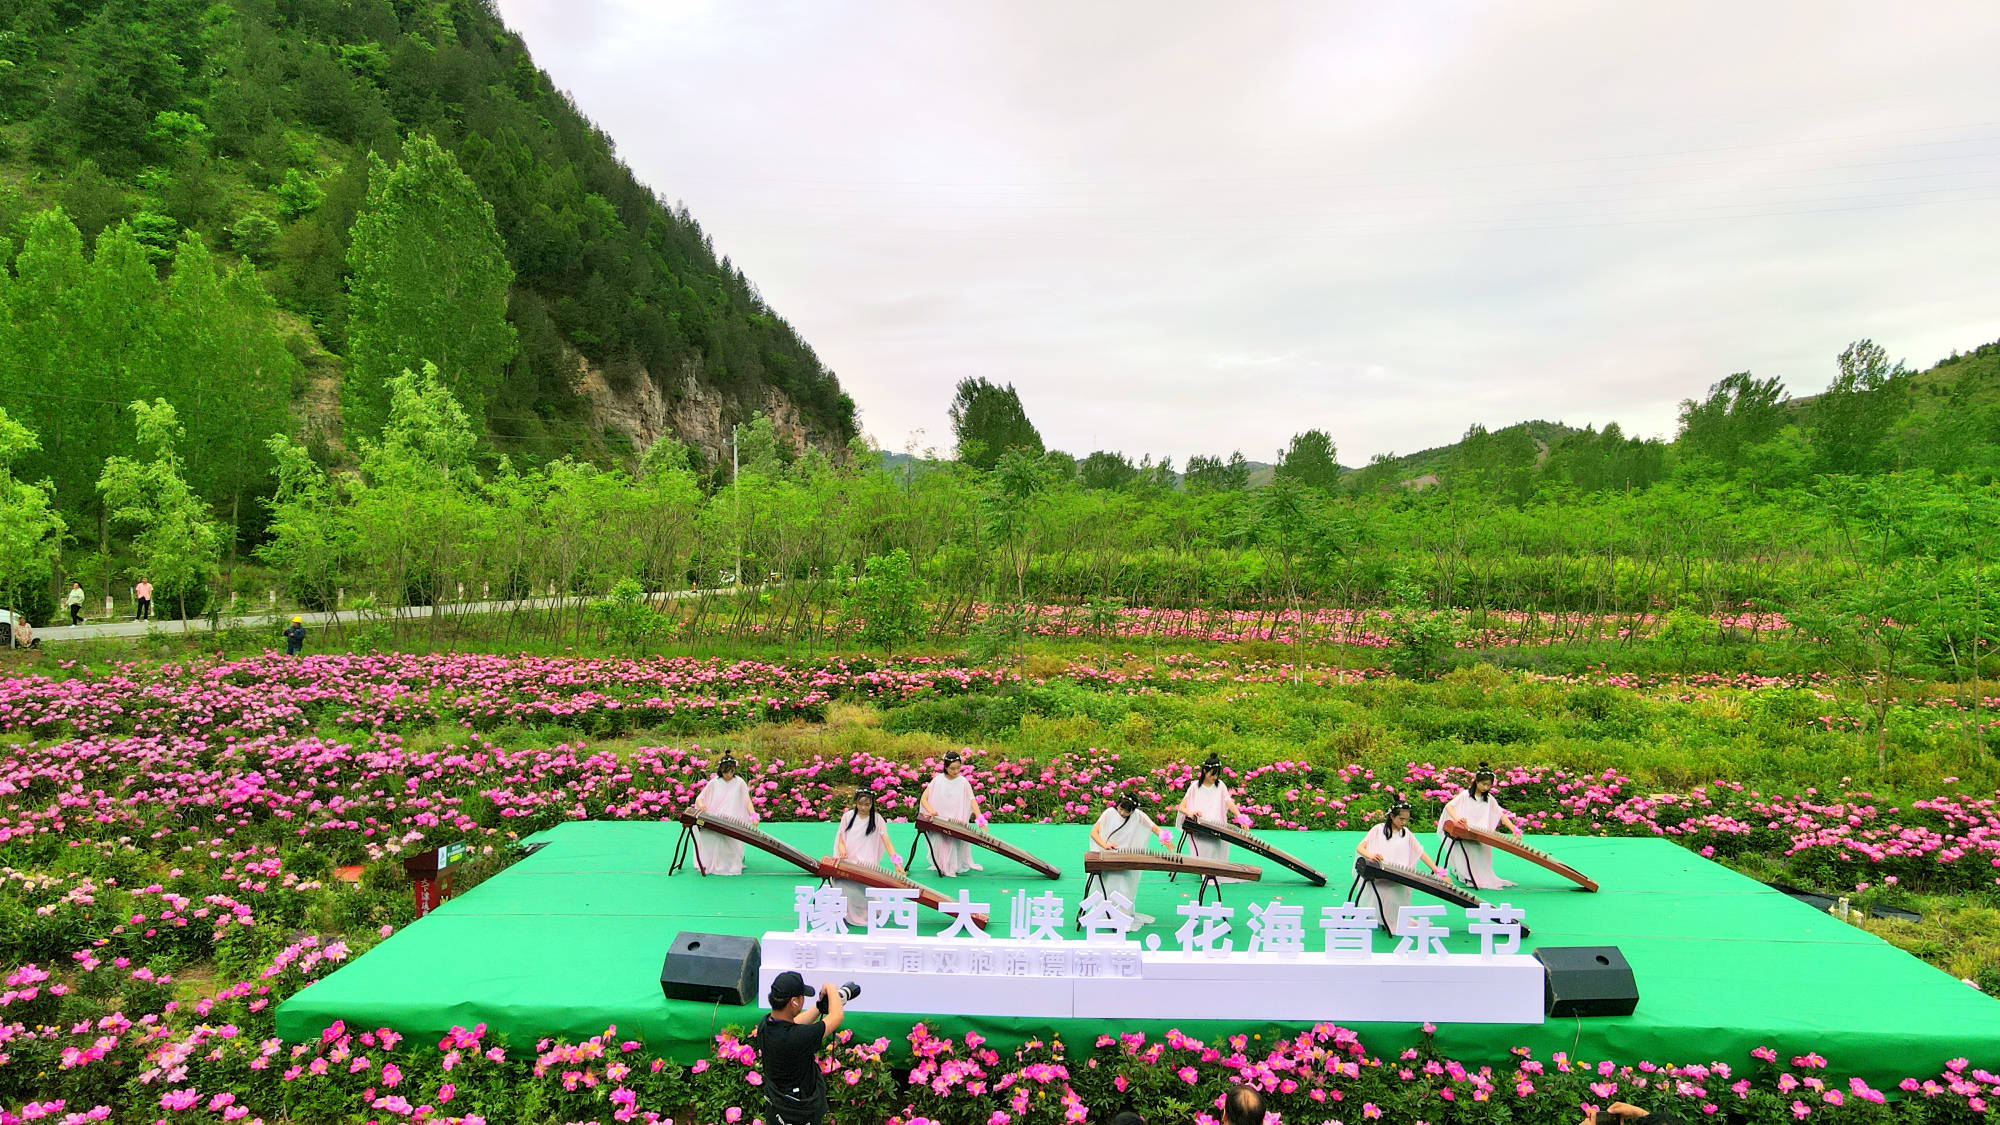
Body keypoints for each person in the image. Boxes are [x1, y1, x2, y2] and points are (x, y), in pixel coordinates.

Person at [756, 970, 843, 1125]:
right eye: (802, 997)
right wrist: (830, 987)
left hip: (779, 1107)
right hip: (799, 1112)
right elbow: (836, 1017)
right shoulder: (797, 1037)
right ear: (794, 1001)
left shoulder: (766, 1025)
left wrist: (819, 1007)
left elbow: (795, 1023)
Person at [1355, 800, 1452, 936]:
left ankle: (1394, 920)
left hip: (1400, 875)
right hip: (1381, 873)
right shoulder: (1378, 829)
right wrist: (1371, 855)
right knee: (1385, 895)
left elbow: (1421, 854)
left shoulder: (1406, 833)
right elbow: (1360, 848)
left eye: (1406, 819)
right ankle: (1385, 919)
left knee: (1398, 897)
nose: (1404, 822)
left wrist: (1440, 873)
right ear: (1392, 816)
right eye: (1401, 819)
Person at [1436, 762, 1524, 888]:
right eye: (1483, 784)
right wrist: (1458, 820)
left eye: (1488, 785)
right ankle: (1466, 876)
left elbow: (1501, 815)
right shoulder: (1465, 795)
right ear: (1476, 782)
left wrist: (1514, 830)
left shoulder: (1489, 799)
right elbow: (1449, 806)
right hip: (1466, 830)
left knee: (1481, 853)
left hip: (1481, 833)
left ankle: (1477, 876)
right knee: (1467, 850)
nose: (1485, 787)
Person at [831, 789, 902, 926]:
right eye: (861, 804)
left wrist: (896, 862)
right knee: (845, 886)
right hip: (849, 860)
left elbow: (887, 842)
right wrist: (842, 850)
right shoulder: (848, 817)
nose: (864, 808)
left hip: (867, 862)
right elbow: (840, 838)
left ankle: (865, 912)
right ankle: (846, 912)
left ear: (872, 804)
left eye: (867, 804)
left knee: (865, 890)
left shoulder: (877, 819)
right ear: (855, 802)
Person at [1089, 792, 1162, 925]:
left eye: (1126, 812)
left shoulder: (1138, 816)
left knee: (1124, 886)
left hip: (1126, 857)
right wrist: (1104, 845)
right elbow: (1094, 832)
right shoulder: (1109, 813)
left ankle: (1122, 917)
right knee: (1110, 884)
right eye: (1120, 809)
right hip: (1108, 855)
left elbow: (1155, 828)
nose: (1122, 813)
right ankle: (1107, 915)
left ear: (1133, 810)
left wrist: (1166, 839)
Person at [917, 749, 985, 876]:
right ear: (946, 767)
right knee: (941, 842)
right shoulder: (938, 780)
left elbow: (972, 801)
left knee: (953, 843)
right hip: (940, 818)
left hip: (955, 819)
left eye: (958, 768)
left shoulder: (963, 782)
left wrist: (980, 820)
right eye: (952, 768)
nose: (956, 771)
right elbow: (924, 799)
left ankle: (952, 865)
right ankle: (942, 865)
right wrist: (931, 810)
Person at [691, 755, 756, 875]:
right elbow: (701, 798)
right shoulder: (715, 782)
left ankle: (731, 863)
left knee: (731, 841)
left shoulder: (739, 782)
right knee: (713, 838)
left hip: (733, 818)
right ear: (721, 770)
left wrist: (753, 814)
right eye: (726, 772)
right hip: (716, 817)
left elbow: (747, 800)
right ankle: (711, 863)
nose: (729, 775)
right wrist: (701, 805)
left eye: (731, 772)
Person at [1177, 753, 1243, 863]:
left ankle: (1214, 870)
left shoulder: (1220, 785)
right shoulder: (1194, 787)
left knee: (1216, 849)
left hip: (1216, 826)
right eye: (1212, 774)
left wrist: (1240, 817)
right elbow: (1181, 807)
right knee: (1204, 848)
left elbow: (1229, 802)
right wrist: (1191, 813)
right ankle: (1204, 868)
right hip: (1200, 825)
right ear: (1204, 771)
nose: (1215, 777)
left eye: (1217, 775)